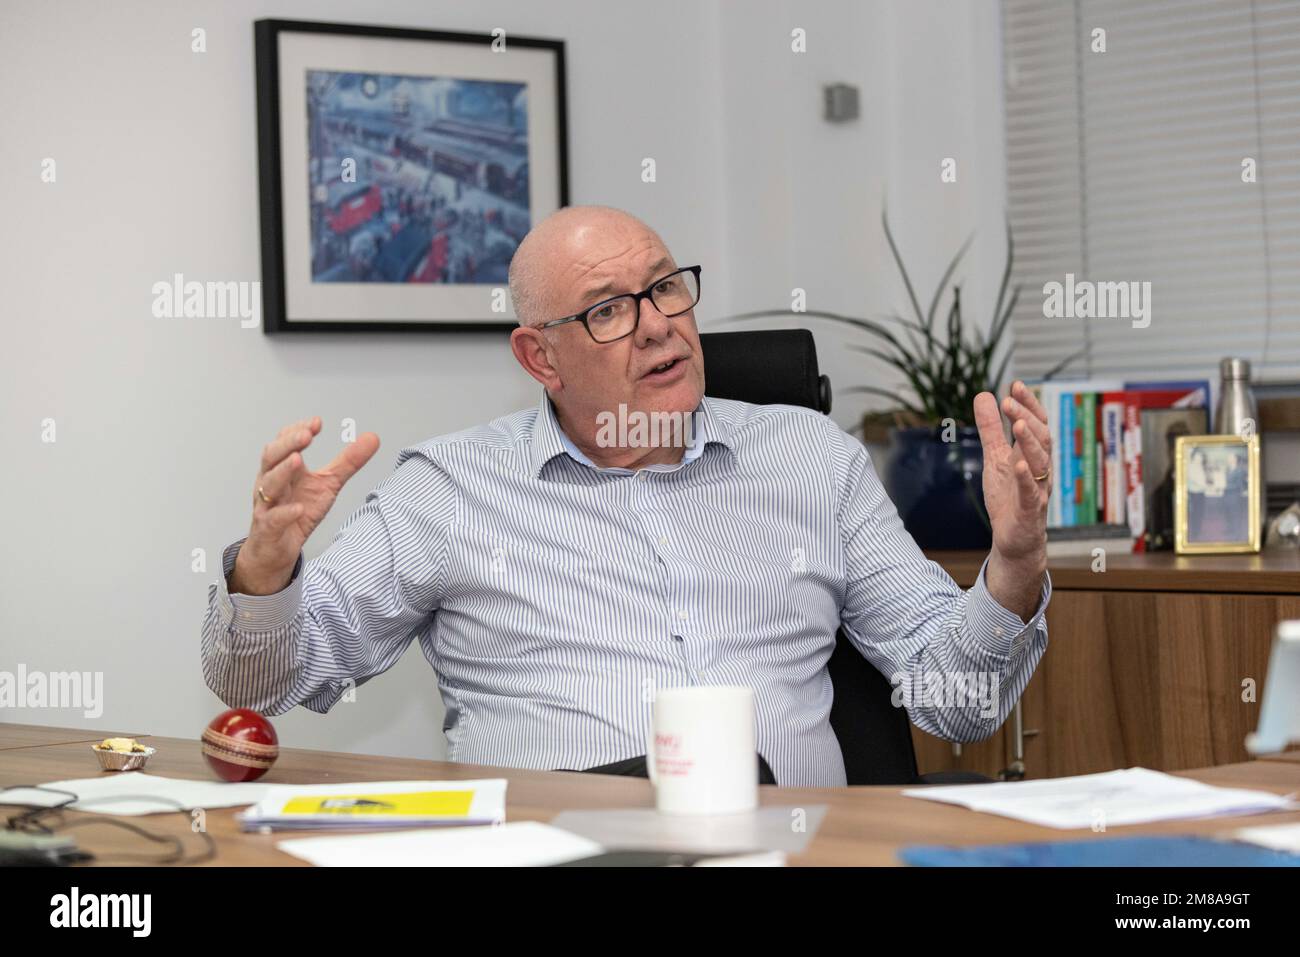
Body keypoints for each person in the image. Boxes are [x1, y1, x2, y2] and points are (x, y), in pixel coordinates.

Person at [201, 205, 1053, 786]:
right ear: (540, 358)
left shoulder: (808, 459)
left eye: (664, 286)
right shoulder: (452, 490)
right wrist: (267, 574)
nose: (657, 323)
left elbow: (958, 700)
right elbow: (266, 680)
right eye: (607, 309)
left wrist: (1012, 567)